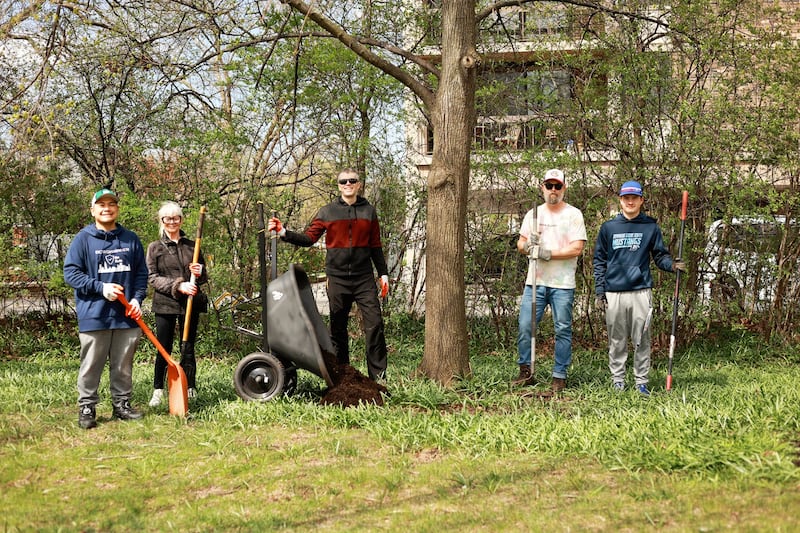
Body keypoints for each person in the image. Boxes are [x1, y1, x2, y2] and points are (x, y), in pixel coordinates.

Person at [268, 168, 390, 381]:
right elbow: (309, 238)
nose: (348, 184)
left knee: (375, 326)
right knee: (338, 330)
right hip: (337, 279)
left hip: (364, 279)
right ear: (339, 186)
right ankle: (343, 378)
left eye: (352, 181)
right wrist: (283, 233)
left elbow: (375, 245)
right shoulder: (327, 211)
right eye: (343, 181)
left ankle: (378, 378)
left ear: (359, 184)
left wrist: (383, 274)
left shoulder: (368, 211)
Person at [63, 188, 149, 429]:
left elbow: (142, 273)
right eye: (101, 204)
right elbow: (71, 273)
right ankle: (87, 407)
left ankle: (122, 405)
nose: (107, 208)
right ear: (93, 210)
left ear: (117, 209)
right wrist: (100, 288)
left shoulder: (130, 239)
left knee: (123, 364)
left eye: (111, 204)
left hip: (127, 315)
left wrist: (137, 299)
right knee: (91, 364)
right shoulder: (83, 239)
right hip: (94, 314)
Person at [592, 181, 687, 396]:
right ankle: (618, 380)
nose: (630, 201)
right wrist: (600, 290)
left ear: (641, 200)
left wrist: (672, 265)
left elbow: (660, 256)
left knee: (642, 339)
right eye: (626, 198)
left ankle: (641, 382)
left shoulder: (650, 227)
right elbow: (599, 261)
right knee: (616, 340)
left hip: (641, 291)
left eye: (634, 198)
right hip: (614, 292)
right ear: (620, 200)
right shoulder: (608, 228)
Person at [514, 169, 587, 392]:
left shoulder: (574, 215)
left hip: (562, 284)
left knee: (562, 329)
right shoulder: (533, 214)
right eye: (549, 186)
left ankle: (559, 375)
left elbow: (577, 248)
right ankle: (526, 371)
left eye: (557, 186)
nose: (553, 190)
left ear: (564, 188)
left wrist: (548, 253)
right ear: (542, 188)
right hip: (535, 281)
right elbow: (520, 243)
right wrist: (527, 247)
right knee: (526, 326)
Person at [146, 202, 208, 406]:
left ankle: (189, 386)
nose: (172, 222)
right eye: (168, 218)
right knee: (163, 347)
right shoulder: (155, 248)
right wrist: (178, 285)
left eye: (176, 218)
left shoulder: (193, 245)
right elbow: (152, 278)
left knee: (188, 347)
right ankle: (158, 389)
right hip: (165, 304)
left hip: (189, 304)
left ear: (181, 220)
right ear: (162, 221)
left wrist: (199, 273)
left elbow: (203, 276)